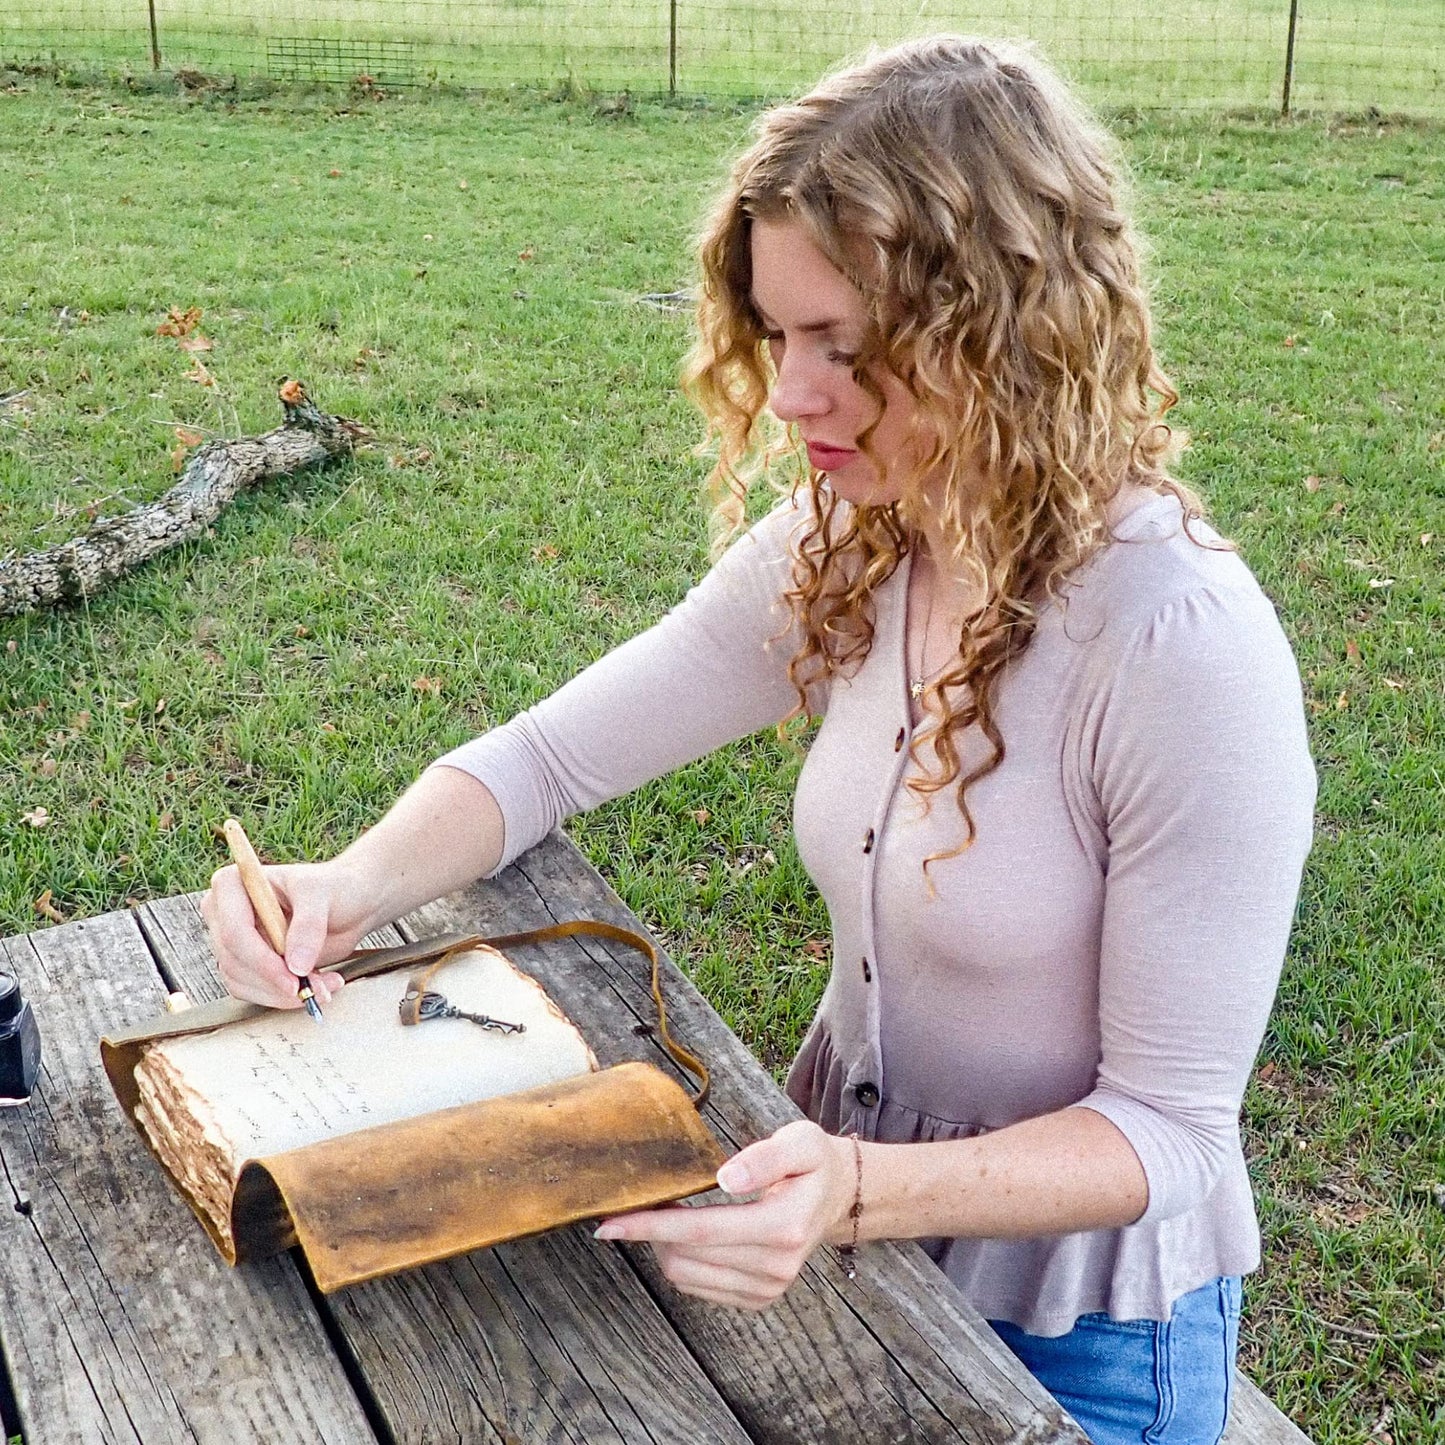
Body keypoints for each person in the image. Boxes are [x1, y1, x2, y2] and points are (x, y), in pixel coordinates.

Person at [203, 35, 1316, 1445]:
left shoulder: (1178, 645)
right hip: (835, 1225)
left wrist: (851, 1189)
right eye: (777, 335)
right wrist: (342, 888)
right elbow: (546, 759)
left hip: (1081, 1335)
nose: (789, 395)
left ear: (1007, 333)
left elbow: (1165, 1126)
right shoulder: (859, 536)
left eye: (846, 350)